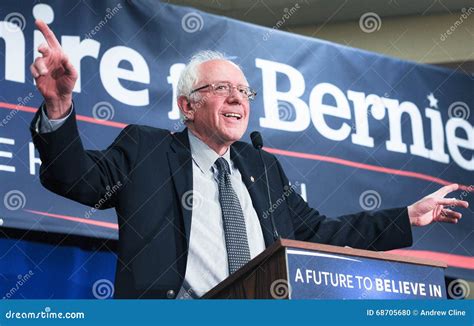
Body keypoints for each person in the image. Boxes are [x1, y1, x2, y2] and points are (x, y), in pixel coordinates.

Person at [30, 20, 468, 299]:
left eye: (244, 91)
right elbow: (76, 178)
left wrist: (408, 216)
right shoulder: (146, 150)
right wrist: (59, 105)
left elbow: (320, 233)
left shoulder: (262, 168)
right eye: (221, 89)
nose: (238, 98)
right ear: (187, 106)